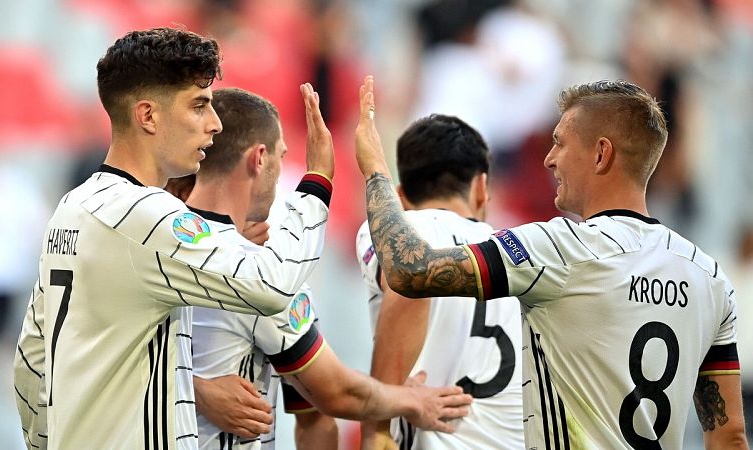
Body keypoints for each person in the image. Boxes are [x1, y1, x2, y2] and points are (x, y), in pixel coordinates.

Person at [353, 77, 748, 449]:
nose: (548, 159)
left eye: (559, 142)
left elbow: (410, 269)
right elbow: (729, 436)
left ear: (600, 153)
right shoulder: (708, 277)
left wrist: (374, 169)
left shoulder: (559, 248)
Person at [12, 27, 336, 450]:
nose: (215, 124)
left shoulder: (73, 207)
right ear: (148, 116)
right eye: (198, 105)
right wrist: (316, 183)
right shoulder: (145, 214)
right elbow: (271, 283)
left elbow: (33, 360)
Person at [166, 88, 474, 450]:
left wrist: (186, 385)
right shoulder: (264, 274)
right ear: (259, 159)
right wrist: (411, 400)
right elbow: (331, 395)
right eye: (282, 157)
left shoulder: (143, 241)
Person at [355, 114, 524, 450]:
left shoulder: (400, 229)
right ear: (481, 187)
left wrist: (377, 427)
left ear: (399, 198)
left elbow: (410, 287)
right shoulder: (519, 250)